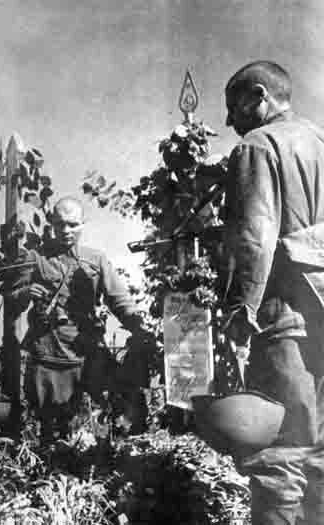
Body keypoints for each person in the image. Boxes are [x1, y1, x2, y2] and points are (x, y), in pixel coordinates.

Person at [222, 61, 324, 525]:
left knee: (280, 452)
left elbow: (254, 237)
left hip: (284, 315)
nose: (230, 120)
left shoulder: (257, 145)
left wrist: (241, 311)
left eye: (233, 106)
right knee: (320, 452)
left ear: (258, 97)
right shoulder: (319, 140)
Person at [9, 197, 149, 445]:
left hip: (87, 352)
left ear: (83, 224)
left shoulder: (95, 260)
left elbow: (119, 300)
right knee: (51, 433)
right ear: (51, 223)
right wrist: (25, 292)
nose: (66, 231)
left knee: (118, 409)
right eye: (60, 224)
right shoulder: (35, 258)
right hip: (49, 354)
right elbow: (11, 301)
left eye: (72, 224)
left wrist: (139, 328)